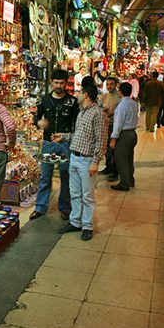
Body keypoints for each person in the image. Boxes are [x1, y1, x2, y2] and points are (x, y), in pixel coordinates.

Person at [56, 82, 107, 241]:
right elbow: (79, 136)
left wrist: (96, 161)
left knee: (88, 196)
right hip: (74, 158)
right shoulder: (81, 113)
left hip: (87, 160)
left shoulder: (97, 113)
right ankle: (75, 222)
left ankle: (87, 226)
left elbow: (101, 140)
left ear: (85, 95)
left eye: (79, 92)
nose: (76, 94)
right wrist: (63, 136)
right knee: (75, 194)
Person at [31, 69, 79, 221]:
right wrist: (39, 123)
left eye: (61, 83)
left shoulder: (72, 102)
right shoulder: (44, 100)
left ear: (66, 83)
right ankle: (40, 207)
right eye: (56, 82)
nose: (58, 85)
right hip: (49, 144)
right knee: (46, 177)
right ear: (51, 82)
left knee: (65, 176)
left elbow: (76, 124)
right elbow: (36, 118)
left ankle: (65, 207)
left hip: (65, 145)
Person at [109, 82, 139, 191]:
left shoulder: (121, 105)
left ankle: (124, 183)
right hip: (133, 133)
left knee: (121, 159)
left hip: (124, 134)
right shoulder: (133, 103)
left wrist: (113, 139)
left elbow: (118, 124)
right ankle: (130, 179)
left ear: (120, 92)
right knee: (129, 158)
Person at [98, 77, 120, 179]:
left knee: (113, 149)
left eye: (111, 84)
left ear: (116, 85)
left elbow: (121, 111)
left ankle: (114, 171)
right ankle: (108, 167)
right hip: (105, 125)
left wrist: (112, 113)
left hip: (114, 125)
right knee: (106, 148)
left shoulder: (119, 96)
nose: (109, 86)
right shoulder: (105, 95)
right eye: (107, 84)